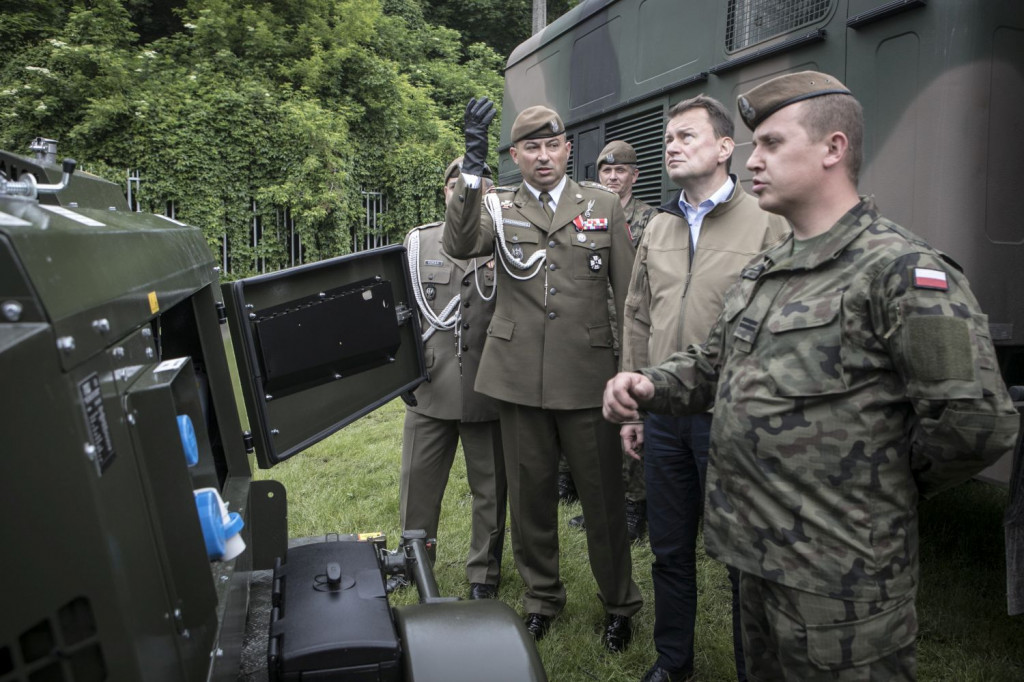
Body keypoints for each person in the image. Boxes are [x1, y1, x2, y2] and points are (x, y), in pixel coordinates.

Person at [603, 71, 1020, 680]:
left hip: (843, 584)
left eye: (772, 143)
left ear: (833, 149)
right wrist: (650, 385)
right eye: (753, 146)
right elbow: (713, 364)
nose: (754, 160)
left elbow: (977, 423)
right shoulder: (770, 268)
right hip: (759, 563)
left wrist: (881, 482)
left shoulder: (900, 272)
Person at [443, 97, 643, 651]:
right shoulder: (499, 206)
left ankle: (620, 603)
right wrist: (471, 169)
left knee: (602, 500)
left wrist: (630, 375)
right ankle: (540, 598)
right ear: (516, 156)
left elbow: (628, 299)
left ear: (567, 148)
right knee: (530, 497)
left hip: (587, 377)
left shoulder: (602, 203)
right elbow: (459, 244)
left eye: (552, 144)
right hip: (517, 376)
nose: (544, 155)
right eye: (531, 147)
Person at [619, 95, 789, 682]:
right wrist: (636, 409)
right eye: (668, 139)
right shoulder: (660, 225)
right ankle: (673, 663)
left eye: (686, 136)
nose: (672, 146)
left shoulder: (768, 221)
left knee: (745, 559)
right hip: (665, 413)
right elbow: (638, 316)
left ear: (724, 148)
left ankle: (753, 669)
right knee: (669, 549)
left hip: (732, 416)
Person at [398, 157, 507, 600]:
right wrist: (401, 374)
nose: (461, 195)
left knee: (491, 491)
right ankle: (413, 562)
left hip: (487, 387)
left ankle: (483, 574)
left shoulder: (505, 244)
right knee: (418, 484)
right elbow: (400, 315)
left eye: (475, 188)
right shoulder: (418, 244)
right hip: (431, 386)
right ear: (445, 193)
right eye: (454, 186)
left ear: (490, 196)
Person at [566, 139, 657, 542]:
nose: (613, 177)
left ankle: (636, 506)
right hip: (594, 333)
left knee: (632, 416)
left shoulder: (651, 220)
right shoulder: (587, 218)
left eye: (621, 171)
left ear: (634, 176)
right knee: (598, 423)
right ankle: (602, 503)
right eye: (606, 170)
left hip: (632, 332)